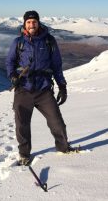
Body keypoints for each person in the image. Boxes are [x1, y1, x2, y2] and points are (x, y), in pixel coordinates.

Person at [6, 10, 78, 166]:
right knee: (22, 125)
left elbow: (57, 65)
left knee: (56, 121)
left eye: (34, 21)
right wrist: (12, 76)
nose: (32, 24)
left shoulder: (49, 41)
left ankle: (63, 147)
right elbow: (10, 62)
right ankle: (24, 155)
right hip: (23, 88)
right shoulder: (18, 42)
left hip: (44, 89)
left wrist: (62, 86)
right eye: (29, 22)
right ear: (24, 24)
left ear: (38, 23)